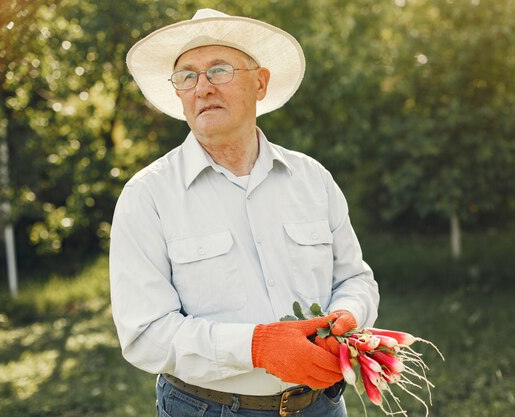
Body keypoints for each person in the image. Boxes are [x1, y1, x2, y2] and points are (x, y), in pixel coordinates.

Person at [109, 8, 379, 417]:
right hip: (208, 409)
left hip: (320, 405)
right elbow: (145, 334)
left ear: (261, 83)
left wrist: (348, 314)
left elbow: (355, 278)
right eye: (187, 76)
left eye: (219, 70)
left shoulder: (312, 178)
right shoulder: (146, 195)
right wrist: (257, 346)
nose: (202, 88)